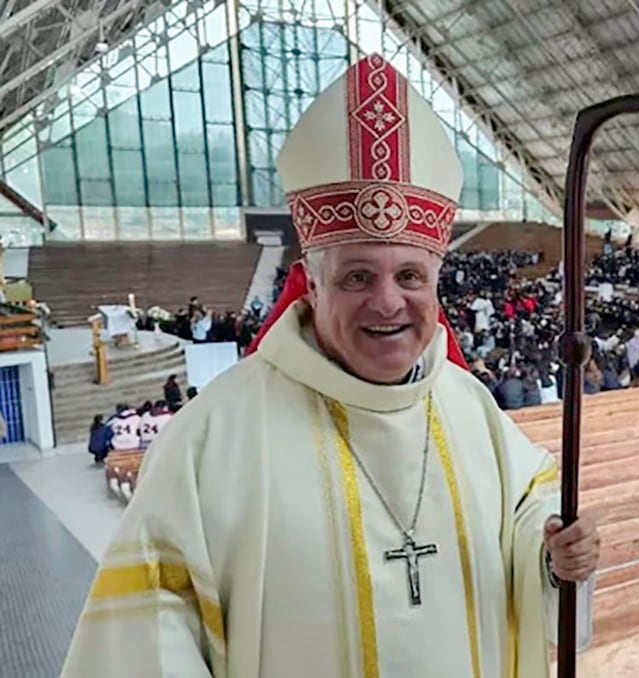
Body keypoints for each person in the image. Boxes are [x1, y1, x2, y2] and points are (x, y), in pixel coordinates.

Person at [61, 54, 599, 678]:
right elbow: (148, 639)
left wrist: (557, 553)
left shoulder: (469, 407)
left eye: (409, 276)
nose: (389, 302)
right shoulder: (211, 439)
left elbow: (533, 511)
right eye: (358, 276)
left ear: (437, 284)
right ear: (312, 284)